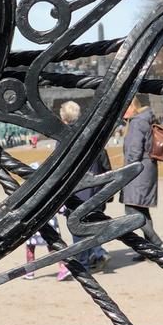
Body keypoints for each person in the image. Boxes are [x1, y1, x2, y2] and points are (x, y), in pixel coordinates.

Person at [57, 100, 109, 276]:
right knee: (92, 224)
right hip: (95, 188)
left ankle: (85, 265)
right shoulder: (92, 132)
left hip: (77, 191)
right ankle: (98, 253)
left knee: (77, 229)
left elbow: (60, 169)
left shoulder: (63, 137)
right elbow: (104, 161)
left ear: (64, 118)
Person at [122, 93, 163, 255]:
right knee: (142, 210)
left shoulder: (137, 121)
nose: (123, 111)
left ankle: (159, 245)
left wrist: (126, 172)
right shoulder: (145, 118)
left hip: (138, 172)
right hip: (146, 169)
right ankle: (151, 250)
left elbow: (134, 151)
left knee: (132, 211)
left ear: (134, 106)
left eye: (126, 107)